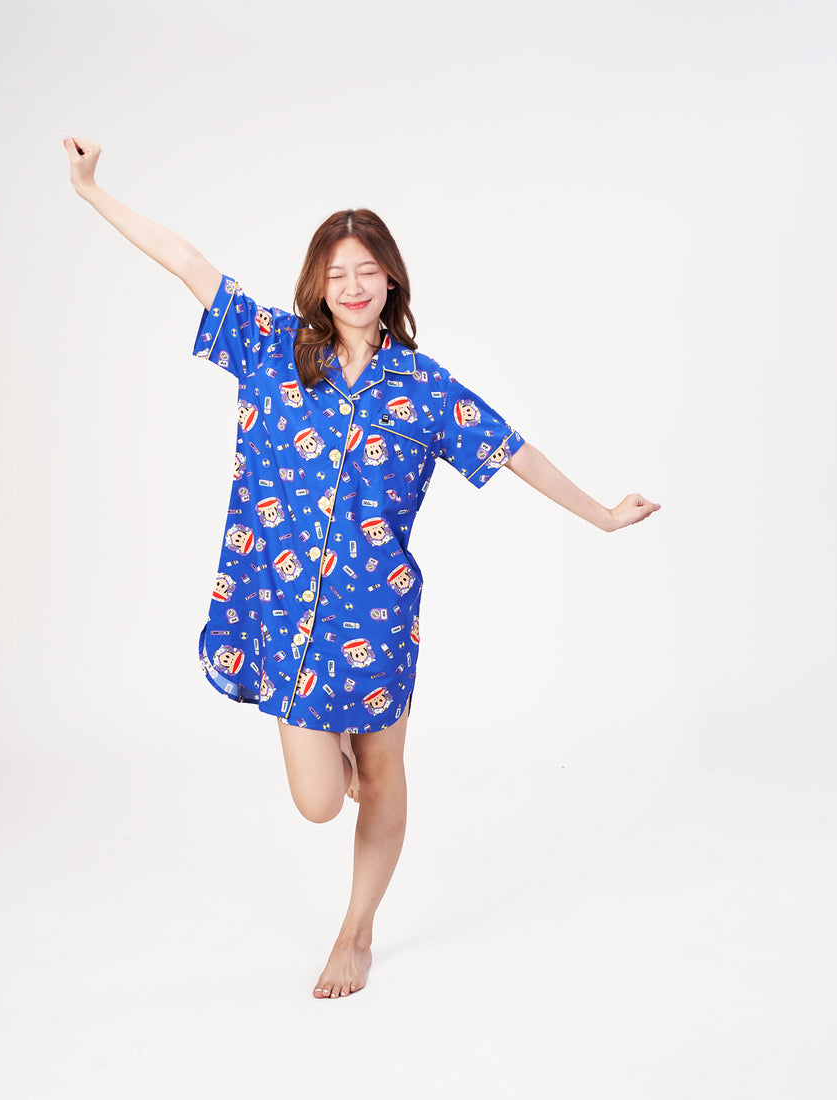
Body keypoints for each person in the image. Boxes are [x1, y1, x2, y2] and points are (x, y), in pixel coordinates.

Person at [62, 134, 661, 1000]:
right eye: (336, 271)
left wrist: (602, 514)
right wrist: (91, 190)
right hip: (283, 613)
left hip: (374, 615)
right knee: (317, 800)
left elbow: (515, 452)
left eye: (367, 270)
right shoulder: (272, 349)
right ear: (317, 282)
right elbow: (188, 262)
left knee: (381, 775)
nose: (351, 285)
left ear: (390, 282)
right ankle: (342, 771)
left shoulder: (425, 388)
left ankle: (357, 932)